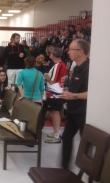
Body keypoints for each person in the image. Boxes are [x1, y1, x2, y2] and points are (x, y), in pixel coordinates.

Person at [59, 39, 90, 170]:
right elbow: (76, 88)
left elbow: (93, 93)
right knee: (66, 138)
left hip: (83, 113)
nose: (68, 51)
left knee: (86, 144)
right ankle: (64, 169)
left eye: (72, 49)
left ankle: (88, 172)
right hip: (72, 111)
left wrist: (74, 96)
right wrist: (66, 92)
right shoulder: (76, 67)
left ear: (81, 52)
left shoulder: (89, 69)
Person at [43, 46, 66, 143]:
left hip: (54, 93)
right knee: (54, 113)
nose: (49, 54)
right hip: (55, 91)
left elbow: (53, 81)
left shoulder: (58, 65)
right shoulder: (60, 64)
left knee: (55, 113)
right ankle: (56, 132)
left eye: (50, 53)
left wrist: (46, 76)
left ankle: (57, 134)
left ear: (53, 54)